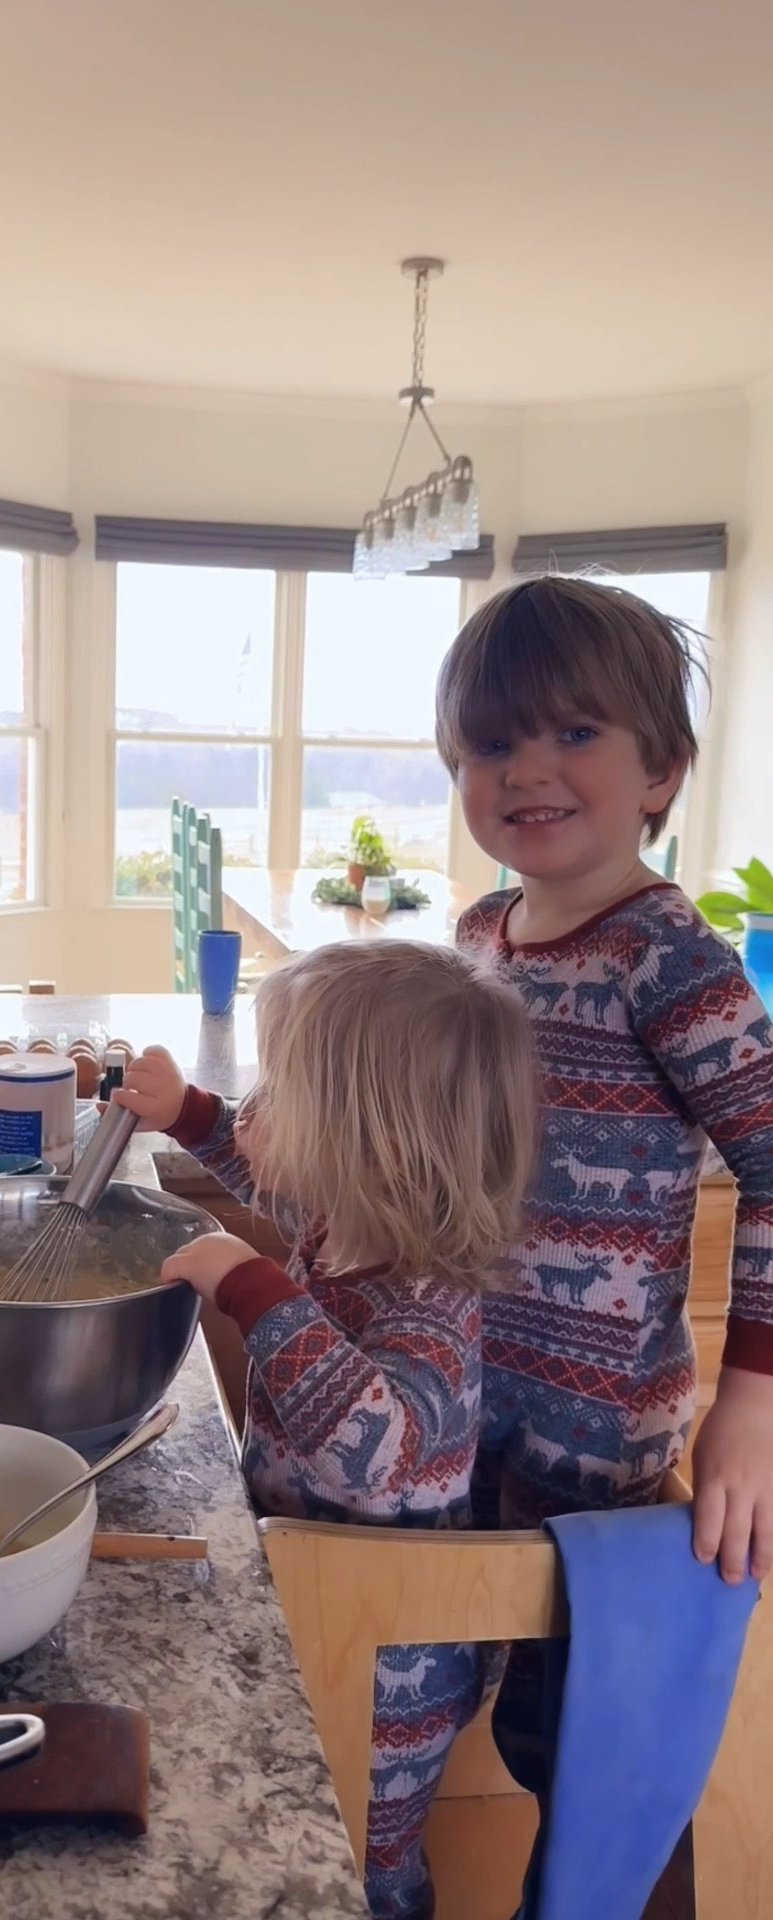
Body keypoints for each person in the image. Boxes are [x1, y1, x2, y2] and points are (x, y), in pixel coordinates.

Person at [433, 575, 773, 1841]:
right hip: (454, 1392)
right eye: (491, 743)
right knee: (438, 1668)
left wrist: (753, 1402)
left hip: (593, 1439)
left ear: (662, 771)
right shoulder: (480, 932)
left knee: (567, 1738)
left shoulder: (667, 958)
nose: (527, 769)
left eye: (575, 731)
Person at [115, 940, 538, 1920]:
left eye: (281, 1093)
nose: (253, 1112)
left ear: (374, 1148)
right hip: (324, 1601)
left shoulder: (429, 1310)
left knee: (361, 1856)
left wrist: (249, 1285)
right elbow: (274, 1166)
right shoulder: (352, 1215)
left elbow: (371, 1450)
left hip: (392, 1665)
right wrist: (190, 1114)